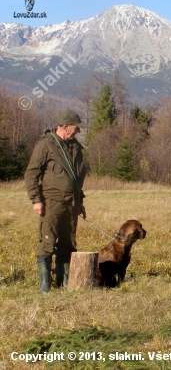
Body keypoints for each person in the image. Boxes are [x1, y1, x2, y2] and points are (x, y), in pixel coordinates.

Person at [24, 110, 87, 292]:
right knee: (48, 240)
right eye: (76, 128)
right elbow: (31, 174)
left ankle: (64, 280)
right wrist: (36, 199)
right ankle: (45, 283)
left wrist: (80, 202)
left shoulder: (76, 148)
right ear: (65, 127)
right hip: (51, 201)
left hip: (72, 203)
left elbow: (77, 179)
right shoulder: (45, 145)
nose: (78, 132)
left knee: (68, 241)